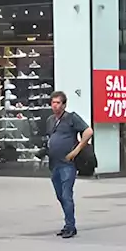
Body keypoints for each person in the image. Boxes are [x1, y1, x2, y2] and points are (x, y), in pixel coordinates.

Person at [45, 91, 92, 239]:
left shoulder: (71, 118)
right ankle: (68, 225)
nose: (55, 105)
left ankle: (70, 226)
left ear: (64, 104)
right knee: (60, 195)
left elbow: (88, 131)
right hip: (54, 163)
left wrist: (77, 150)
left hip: (67, 163)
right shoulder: (50, 120)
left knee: (66, 195)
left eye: (58, 102)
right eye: (53, 102)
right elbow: (51, 137)